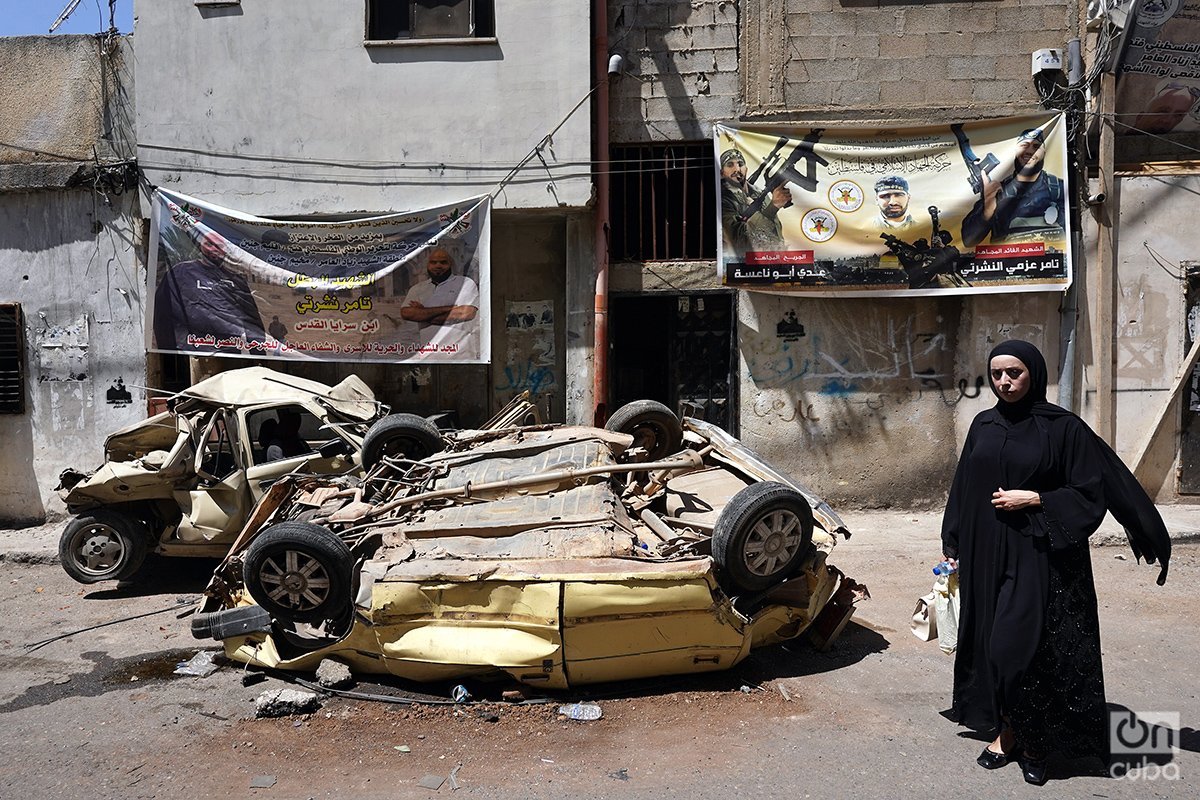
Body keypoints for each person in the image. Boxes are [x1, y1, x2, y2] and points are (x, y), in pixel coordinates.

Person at [940, 340, 1170, 785]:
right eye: (997, 374)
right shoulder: (983, 425)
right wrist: (952, 541)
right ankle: (1008, 732)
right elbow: (964, 485)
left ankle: (1037, 743)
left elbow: (1090, 491)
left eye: (1015, 373)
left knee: (1020, 647)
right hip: (987, 552)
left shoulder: (1061, 428)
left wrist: (1037, 498)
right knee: (991, 644)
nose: (1005, 382)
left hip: (1040, 554)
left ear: (1035, 375)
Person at [152, 230, 267, 352]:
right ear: (201, 245)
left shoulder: (236, 280)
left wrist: (258, 352)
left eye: (219, 246)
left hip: (228, 350)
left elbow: (251, 319)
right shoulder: (180, 273)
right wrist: (167, 349)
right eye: (209, 244)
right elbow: (161, 313)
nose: (214, 249)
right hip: (188, 350)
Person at [961, 129, 1065, 247]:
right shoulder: (997, 191)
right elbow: (968, 240)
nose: (1029, 151)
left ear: (1044, 152)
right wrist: (988, 210)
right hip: (1009, 264)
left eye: (1036, 146)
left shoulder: (1059, 189)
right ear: (1015, 151)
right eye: (1024, 145)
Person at [719, 148, 790, 255]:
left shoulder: (759, 194)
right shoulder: (723, 200)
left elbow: (774, 229)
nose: (737, 169)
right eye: (730, 165)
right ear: (722, 173)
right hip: (745, 264)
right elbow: (738, 237)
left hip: (775, 260)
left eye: (740, 164)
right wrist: (773, 207)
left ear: (746, 169)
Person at [400, 246, 479, 336]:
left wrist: (422, 313)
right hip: (429, 348)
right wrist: (449, 308)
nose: (438, 265)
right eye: (433, 262)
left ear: (450, 264)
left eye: (443, 262)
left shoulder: (465, 283)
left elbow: (466, 313)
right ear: (427, 265)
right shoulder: (417, 289)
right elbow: (406, 313)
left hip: (459, 348)